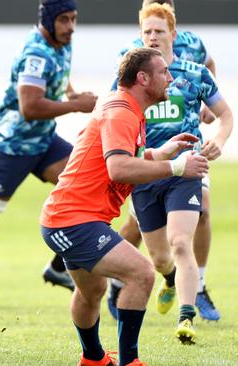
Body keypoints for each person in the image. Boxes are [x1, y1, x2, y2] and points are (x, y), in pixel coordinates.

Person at [40, 47, 208, 366]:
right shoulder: (122, 111)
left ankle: (93, 359)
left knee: (92, 293)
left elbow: (123, 158)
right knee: (142, 273)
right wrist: (176, 168)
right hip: (72, 221)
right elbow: (119, 168)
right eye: (163, 72)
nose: (170, 78)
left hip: (71, 219)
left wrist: (162, 153)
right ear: (142, 78)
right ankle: (129, 361)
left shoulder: (125, 106)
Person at [109, 3, 232, 345]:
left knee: (180, 241)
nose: (152, 37)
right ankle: (169, 279)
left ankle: (187, 316)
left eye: (159, 31)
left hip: (186, 168)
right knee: (160, 257)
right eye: (147, 31)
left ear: (173, 35)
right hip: (146, 170)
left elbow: (225, 114)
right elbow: (111, 112)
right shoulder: (130, 74)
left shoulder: (194, 73)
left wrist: (219, 141)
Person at [0, 0, 97, 292]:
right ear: (49, 20)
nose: (71, 27)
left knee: (87, 187)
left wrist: (73, 92)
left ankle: (58, 266)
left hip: (44, 142)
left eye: (74, 19)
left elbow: (58, 78)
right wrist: (75, 105)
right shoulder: (36, 53)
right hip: (13, 147)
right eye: (64, 20)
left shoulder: (61, 44)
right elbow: (29, 106)